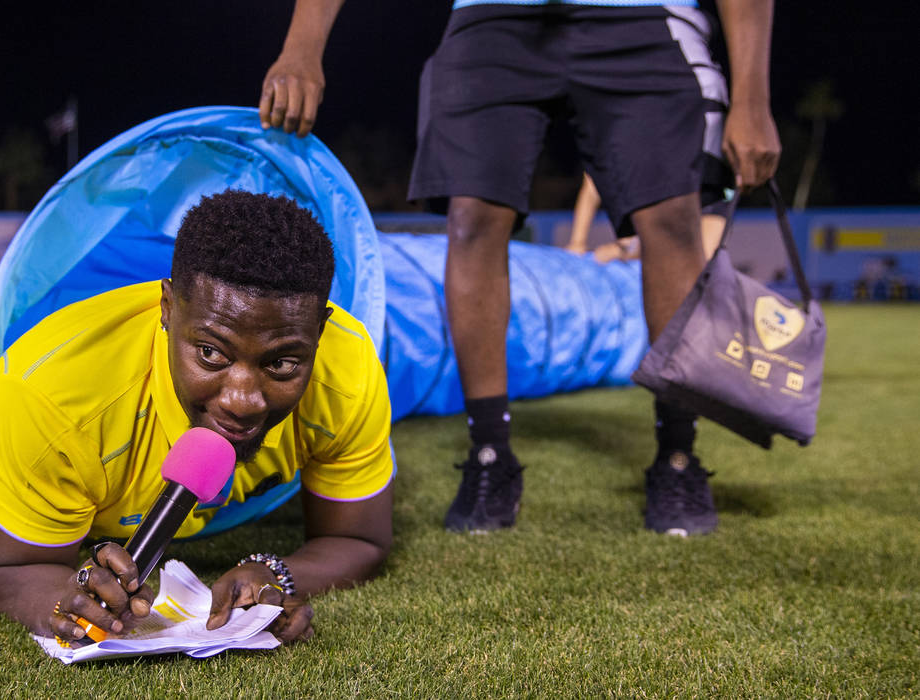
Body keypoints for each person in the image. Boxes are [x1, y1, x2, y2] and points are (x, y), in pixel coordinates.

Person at [263, 0, 780, 537]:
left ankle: (677, 455)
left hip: (643, 14)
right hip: (493, 14)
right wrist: (301, 46)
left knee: (673, 219)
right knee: (472, 218)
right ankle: (489, 454)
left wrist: (753, 96)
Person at [0, 190, 394, 645]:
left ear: (320, 333)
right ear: (168, 309)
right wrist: (63, 596)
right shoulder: (48, 400)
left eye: (282, 363)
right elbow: (11, 566)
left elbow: (360, 540)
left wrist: (273, 572)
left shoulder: (348, 372)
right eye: (211, 353)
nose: (242, 400)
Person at [564, 172, 728, 264]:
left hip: (708, 188)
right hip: (648, 227)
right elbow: (593, 181)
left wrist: (630, 247)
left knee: (699, 268)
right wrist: (577, 242)